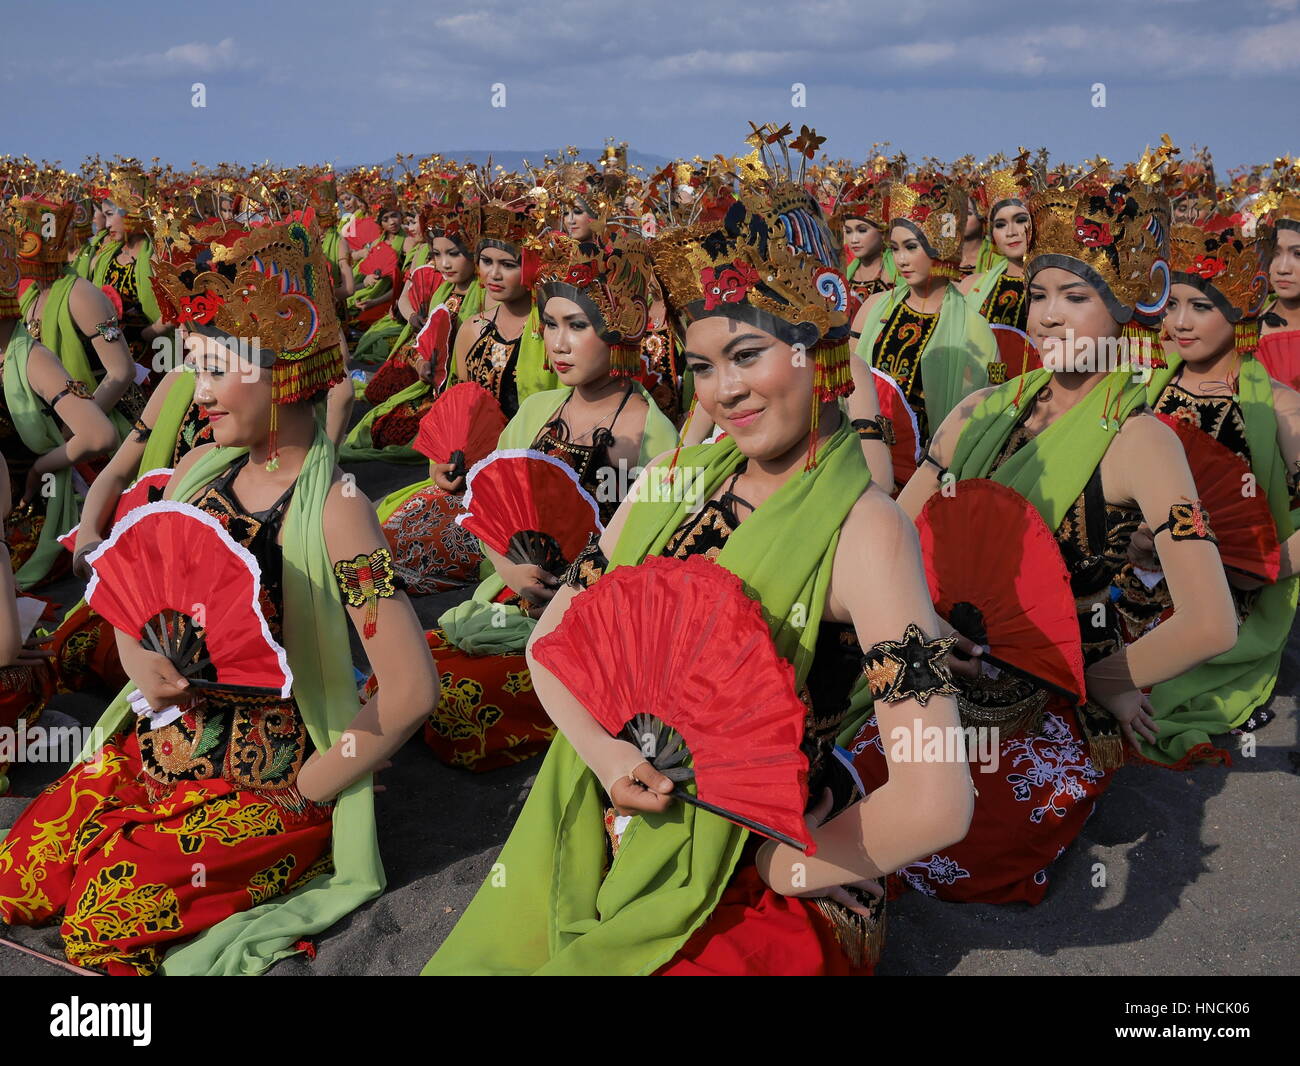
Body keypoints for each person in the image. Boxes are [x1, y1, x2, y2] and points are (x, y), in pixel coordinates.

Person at [426, 133, 974, 975]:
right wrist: (608, 756)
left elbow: (939, 796)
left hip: (766, 865)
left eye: (749, 354)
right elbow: (550, 644)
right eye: (704, 365)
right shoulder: (678, 480)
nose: (724, 390)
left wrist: (786, 864)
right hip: (613, 811)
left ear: (817, 343)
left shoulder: (868, 532)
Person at [0, 217, 438, 975]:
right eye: (193, 368)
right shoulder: (203, 468)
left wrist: (315, 784)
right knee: (19, 878)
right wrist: (139, 659)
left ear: (285, 372)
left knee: (106, 915)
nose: (195, 392)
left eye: (214, 369)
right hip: (159, 749)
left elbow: (408, 689)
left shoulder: (335, 508)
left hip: (266, 782)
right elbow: (135, 590)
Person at [849, 168, 1240, 904]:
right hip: (933, 665)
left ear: (1124, 313)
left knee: (943, 849)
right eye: (1037, 296)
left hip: (1047, 702)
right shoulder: (978, 411)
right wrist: (923, 629)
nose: (1049, 317)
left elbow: (1212, 620)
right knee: (839, 795)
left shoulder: (1143, 439)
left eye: (1077, 298)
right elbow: (890, 534)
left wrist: (1102, 683)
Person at [377, 227, 678, 769]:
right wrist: (510, 570)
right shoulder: (539, 411)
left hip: (597, 619)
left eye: (578, 326)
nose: (558, 344)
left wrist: (576, 590)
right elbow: (487, 506)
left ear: (620, 332)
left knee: (462, 704)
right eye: (553, 326)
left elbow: (655, 557)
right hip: (514, 591)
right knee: (408, 673)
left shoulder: (654, 436)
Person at [1115, 214, 1300, 763]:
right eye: (1173, 304)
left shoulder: (1280, 408)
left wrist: (1263, 563)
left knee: (1147, 694)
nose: (1180, 322)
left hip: (1219, 590)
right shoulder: (1141, 382)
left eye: (1201, 306)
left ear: (1241, 311)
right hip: (1127, 571)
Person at [0, 220, 117, 589]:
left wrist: (40, 467)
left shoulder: (32, 358)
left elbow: (100, 433)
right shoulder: (33, 298)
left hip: (31, 503)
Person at [852, 177, 998, 443]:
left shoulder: (975, 328)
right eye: (894, 249)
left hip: (929, 462)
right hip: (864, 450)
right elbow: (848, 382)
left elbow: (979, 415)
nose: (901, 260)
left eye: (911, 247)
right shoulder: (874, 307)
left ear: (939, 246)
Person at [11, 193, 142, 440]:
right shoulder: (30, 297)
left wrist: (79, 428)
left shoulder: (80, 295)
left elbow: (122, 372)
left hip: (106, 426)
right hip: (57, 423)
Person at [960, 159, 1034, 331]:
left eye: (1020, 220)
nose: (1011, 232)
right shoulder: (970, 287)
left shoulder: (1055, 285)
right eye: (1000, 224)